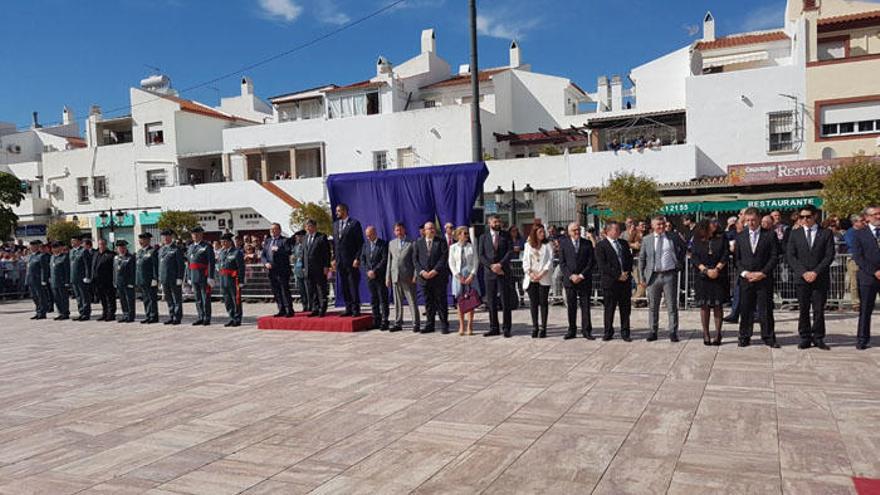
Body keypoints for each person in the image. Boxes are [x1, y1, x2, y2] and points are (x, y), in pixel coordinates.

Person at [786, 205, 835, 350]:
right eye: (802, 217)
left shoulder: (825, 233)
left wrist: (815, 272)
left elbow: (829, 255)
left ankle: (818, 337)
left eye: (808, 216)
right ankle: (805, 337)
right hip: (802, 278)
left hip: (819, 277)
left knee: (819, 309)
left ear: (815, 216)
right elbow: (791, 256)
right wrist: (803, 272)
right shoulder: (795, 234)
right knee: (803, 309)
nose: (805, 219)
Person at [735, 208, 779, 348]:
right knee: (746, 308)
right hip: (746, 279)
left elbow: (774, 257)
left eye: (753, 220)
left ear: (759, 219)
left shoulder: (770, 235)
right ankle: (744, 336)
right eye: (747, 220)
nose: (751, 223)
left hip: (763, 278)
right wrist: (745, 273)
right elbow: (737, 259)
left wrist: (763, 273)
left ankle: (768, 336)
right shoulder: (740, 236)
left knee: (765, 308)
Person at [639, 215, 686, 342]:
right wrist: (642, 277)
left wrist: (678, 262)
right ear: (653, 225)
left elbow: (684, 248)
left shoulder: (673, 237)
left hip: (669, 275)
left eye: (663, 224)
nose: (661, 227)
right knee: (653, 306)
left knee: (672, 306)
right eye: (658, 224)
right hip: (653, 276)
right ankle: (653, 331)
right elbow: (642, 258)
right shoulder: (647, 239)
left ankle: (673, 332)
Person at [690, 220, 730, 346]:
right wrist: (705, 270)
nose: (715, 225)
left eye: (716, 223)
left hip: (719, 274)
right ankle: (706, 333)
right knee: (704, 305)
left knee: (718, 305)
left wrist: (717, 269)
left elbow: (725, 254)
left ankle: (718, 334)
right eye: (712, 223)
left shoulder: (722, 237)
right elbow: (694, 256)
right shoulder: (697, 238)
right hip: (703, 275)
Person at [595, 221, 634, 342]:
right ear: (608, 231)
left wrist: (626, 272)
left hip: (625, 281)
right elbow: (603, 265)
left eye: (618, 229)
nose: (618, 231)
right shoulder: (601, 245)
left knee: (625, 308)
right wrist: (617, 275)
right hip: (611, 282)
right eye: (616, 229)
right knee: (609, 308)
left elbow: (629, 259)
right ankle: (608, 332)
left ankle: (625, 332)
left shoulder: (623, 243)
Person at [849, 205, 880, 350]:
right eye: (874, 214)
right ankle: (862, 338)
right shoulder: (859, 234)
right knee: (866, 310)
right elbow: (858, 257)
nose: (878, 217)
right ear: (867, 218)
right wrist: (875, 272)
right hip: (868, 277)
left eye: (879, 214)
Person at [479, 215, 514, 338]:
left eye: (499, 221)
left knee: (505, 301)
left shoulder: (506, 235)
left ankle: (506, 328)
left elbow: (510, 251)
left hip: (503, 272)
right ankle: (493, 327)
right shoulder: (483, 237)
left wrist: (500, 265)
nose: (498, 223)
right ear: (489, 223)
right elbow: (481, 255)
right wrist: (491, 266)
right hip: (489, 274)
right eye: (495, 221)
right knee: (491, 301)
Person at [559, 221, 595, 340]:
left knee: (585, 306)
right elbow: (562, 263)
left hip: (584, 280)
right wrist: (571, 276)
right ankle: (572, 330)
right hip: (570, 281)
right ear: (569, 232)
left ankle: (586, 330)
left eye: (578, 229)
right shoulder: (564, 244)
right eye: (574, 230)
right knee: (571, 306)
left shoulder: (587, 243)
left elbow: (591, 262)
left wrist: (581, 275)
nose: (577, 232)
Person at [414, 221, 449, 333]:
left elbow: (443, 258)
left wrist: (435, 270)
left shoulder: (441, 242)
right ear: (424, 231)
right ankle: (430, 324)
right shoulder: (418, 243)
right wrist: (422, 272)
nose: (431, 230)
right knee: (428, 302)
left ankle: (444, 325)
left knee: (441, 301)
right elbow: (415, 260)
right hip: (424, 278)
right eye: (429, 228)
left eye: (433, 228)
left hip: (438, 277)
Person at [386, 222, 419, 332]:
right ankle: (398, 322)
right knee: (397, 301)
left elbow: (415, 261)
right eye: (396, 230)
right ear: (394, 232)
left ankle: (416, 323)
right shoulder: (391, 243)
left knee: (411, 300)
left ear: (404, 230)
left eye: (400, 230)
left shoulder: (411, 243)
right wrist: (388, 277)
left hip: (408, 276)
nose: (398, 232)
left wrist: (415, 275)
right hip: (395, 275)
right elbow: (389, 262)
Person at [333, 203, 364, 317]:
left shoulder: (354, 224)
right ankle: (348, 307)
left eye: (339, 211)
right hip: (340, 261)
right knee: (344, 285)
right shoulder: (336, 225)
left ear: (345, 211)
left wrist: (357, 258)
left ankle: (356, 309)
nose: (337, 213)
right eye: (336, 211)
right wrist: (334, 259)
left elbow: (360, 243)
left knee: (352, 285)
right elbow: (335, 244)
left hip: (351, 261)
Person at [522, 224, 553, 338]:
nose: (542, 234)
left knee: (543, 303)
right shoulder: (528, 245)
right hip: (531, 278)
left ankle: (543, 327)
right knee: (533, 304)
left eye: (543, 232)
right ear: (534, 233)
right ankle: (535, 326)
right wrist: (530, 273)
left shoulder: (547, 245)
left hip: (543, 278)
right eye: (540, 232)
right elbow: (525, 261)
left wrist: (541, 274)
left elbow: (550, 261)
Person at [449, 226, 478, 336]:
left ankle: (470, 325)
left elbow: (476, 261)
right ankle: (461, 325)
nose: (466, 235)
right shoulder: (453, 248)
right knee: (460, 301)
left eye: (467, 233)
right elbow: (451, 263)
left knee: (470, 300)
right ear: (458, 235)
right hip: (458, 276)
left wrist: (472, 275)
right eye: (463, 233)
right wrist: (457, 275)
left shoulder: (471, 247)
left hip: (470, 274)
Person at [261, 223, 294, 317]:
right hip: (271, 270)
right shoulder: (268, 241)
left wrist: (279, 250)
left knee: (284, 290)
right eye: (271, 229)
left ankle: (289, 309)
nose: (272, 231)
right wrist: (265, 263)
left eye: (275, 229)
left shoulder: (284, 240)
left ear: (279, 230)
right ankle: (281, 309)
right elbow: (263, 255)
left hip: (282, 270)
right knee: (276, 291)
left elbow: (288, 252)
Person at [360, 225, 389, 330]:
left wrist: (375, 271)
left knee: (383, 299)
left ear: (375, 233)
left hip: (379, 276)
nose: (368, 238)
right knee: (374, 299)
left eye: (369, 235)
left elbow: (384, 260)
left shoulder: (383, 244)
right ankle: (376, 319)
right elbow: (363, 259)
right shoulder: (365, 245)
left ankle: (385, 320)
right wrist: (367, 271)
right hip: (370, 277)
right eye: (366, 236)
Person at [186, 226, 215, 326]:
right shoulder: (190, 247)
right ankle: (200, 316)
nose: (195, 236)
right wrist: (189, 277)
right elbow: (189, 264)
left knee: (205, 298)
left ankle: (207, 317)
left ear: (201, 234)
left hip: (204, 275)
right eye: (193, 234)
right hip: (194, 276)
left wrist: (211, 276)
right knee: (197, 298)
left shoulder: (206, 246)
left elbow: (211, 262)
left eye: (197, 234)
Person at [303, 219, 331, 317]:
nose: (307, 228)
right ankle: (315, 308)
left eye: (309, 226)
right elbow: (304, 254)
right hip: (308, 269)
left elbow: (327, 253)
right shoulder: (305, 238)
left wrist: (326, 266)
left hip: (319, 268)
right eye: (306, 226)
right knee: (312, 289)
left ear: (314, 227)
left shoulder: (321, 237)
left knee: (321, 289)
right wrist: (303, 266)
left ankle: (323, 308)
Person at [218, 233, 246, 327]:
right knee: (227, 300)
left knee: (236, 300)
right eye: (222, 242)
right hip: (224, 280)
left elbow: (241, 267)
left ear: (230, 242)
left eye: (225, 241)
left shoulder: (236, 252)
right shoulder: (222, 252)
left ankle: (237, 318)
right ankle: (231, 317)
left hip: (234, 280)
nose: (223, 243)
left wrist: (241, 281)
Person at [158, 229, 185, 325]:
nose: (165, 238)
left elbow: (180, 265)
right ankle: (171, 315)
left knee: (176, 298)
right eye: (163, 237)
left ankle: (177, 317)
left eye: (167, 236)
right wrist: (160, 279)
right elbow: (159, 266)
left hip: (174, 278)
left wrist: (179, 277)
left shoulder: (176, 249)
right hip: (164, 278)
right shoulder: (161, 250)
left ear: (171, 237)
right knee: (168, 298)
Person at [135, 233, 159, 324]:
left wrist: (155, 278)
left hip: (150, 279)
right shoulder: (139, 252)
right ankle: (148, 315)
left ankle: (153, 316)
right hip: (142, 279)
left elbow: (155, 266)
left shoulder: (152, 251)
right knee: (145, 298)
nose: (141, 241)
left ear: (148, 240)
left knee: (152, 298)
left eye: (143, 239)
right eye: (140, 240)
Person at [844, 213, 866, 310]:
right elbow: (852, 245)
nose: (864, 223)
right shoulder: (850, 233)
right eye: (861, 221)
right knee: (854, 282)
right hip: (853, 259)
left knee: (865, 281)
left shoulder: (865, 231)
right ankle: (856, 303)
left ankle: (865, 301)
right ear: (855, 222)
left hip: (865, 259)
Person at [92, 238, 116, 321]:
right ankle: (104, 313)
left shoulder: (111, 255)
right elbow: (93, 267)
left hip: (108, 280)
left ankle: (111, 314)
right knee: (102, 298)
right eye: (99, 244)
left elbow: (113, 269)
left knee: (110, 298)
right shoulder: (96, 254)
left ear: (106, 245)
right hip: (98, 281)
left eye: (102, 244)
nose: (101, 246)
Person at [69, 235, 93, 321]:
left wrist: (87, 276)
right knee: (78, 296)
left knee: (84, 296)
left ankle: (86, 313)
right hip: (74, 278)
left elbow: (87, 265)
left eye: (74, 241)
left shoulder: (84, 251)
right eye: (71, 241)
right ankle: (81, 312)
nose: (72, 243)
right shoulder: (71, 252)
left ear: (79, 242)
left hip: (82, 278)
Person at [26, 240, 50, 320]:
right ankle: (38, 311)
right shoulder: (30, 256)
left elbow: (44, 269)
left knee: (40, 296)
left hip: (38, 280)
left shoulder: (41, 256)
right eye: (30, 246)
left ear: (37, 247)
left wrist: (44, 279)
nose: (31, 248)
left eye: (33, 246)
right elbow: (28, 269)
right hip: (31, 279)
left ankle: (42, 312)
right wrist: (27, 280)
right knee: (34, 297)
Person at [114, 239, 136, 323]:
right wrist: (114, 281)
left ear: (126, 248)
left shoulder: (130, 257)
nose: (121, 249)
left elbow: (133, 271)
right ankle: (125, 314)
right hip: (119, 283)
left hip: (128, 282)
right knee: (122, 300)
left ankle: (130, 316)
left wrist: (131, 282)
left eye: (123, 247)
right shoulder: (116, 257)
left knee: (129, 300)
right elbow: (114, 271)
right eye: (119, 247)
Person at [49, 241, 71, 321]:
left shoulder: (64, 257)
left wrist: (67, 281)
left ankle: (65, 313)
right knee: (57, 298)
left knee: (63, 298)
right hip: (54, 282)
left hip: (62, 282)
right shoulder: (52, 257)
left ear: (60, 248)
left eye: (56, 247)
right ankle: (60, 312)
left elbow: (67, 270)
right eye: (53, 248)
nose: (54, 249)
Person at [292, 230, 309, 313]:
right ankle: (305, 305)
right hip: (298, 270)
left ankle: (310, 305)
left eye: (299, 237)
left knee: (308, 289)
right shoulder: (296, 246)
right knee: (302, 290)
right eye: (296, 237)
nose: (297, 238)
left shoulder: (306, 245)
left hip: (305, 269)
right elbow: (294, 256)